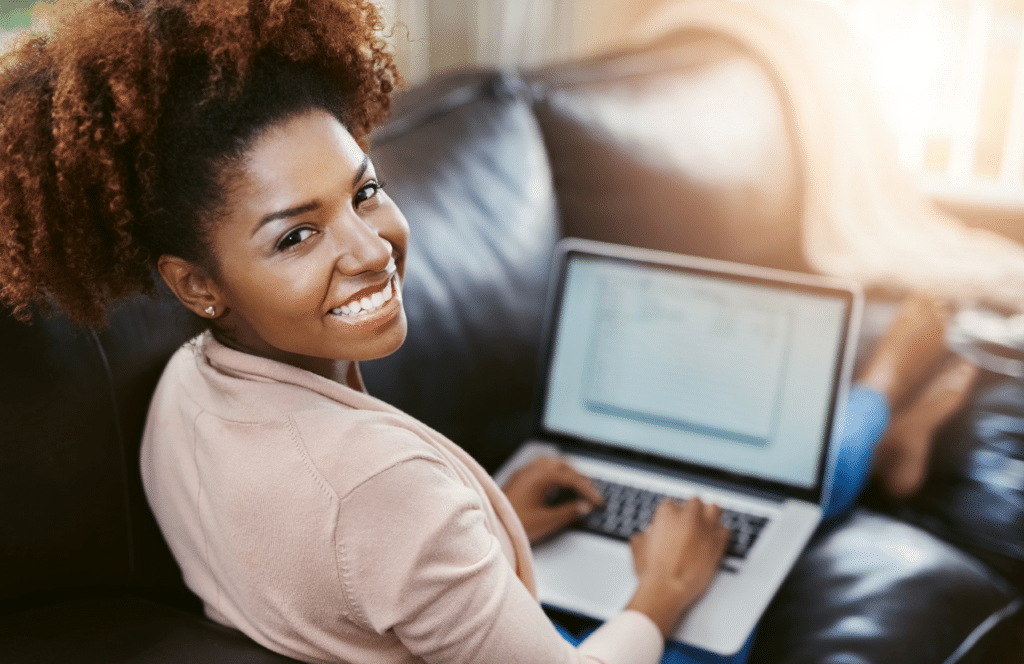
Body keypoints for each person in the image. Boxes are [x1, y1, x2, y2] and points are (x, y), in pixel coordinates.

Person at [0, 1, 977, 662]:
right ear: (194, 281)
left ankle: (877, 425)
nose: (370, 248)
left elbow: (353, 561)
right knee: (737, 524)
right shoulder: (383, 495)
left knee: (746, 496)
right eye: (296, 235)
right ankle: (884, 396)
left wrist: (495, 516)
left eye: (365, 192)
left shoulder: (187, 385)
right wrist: (659, 597)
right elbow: (369, 517)